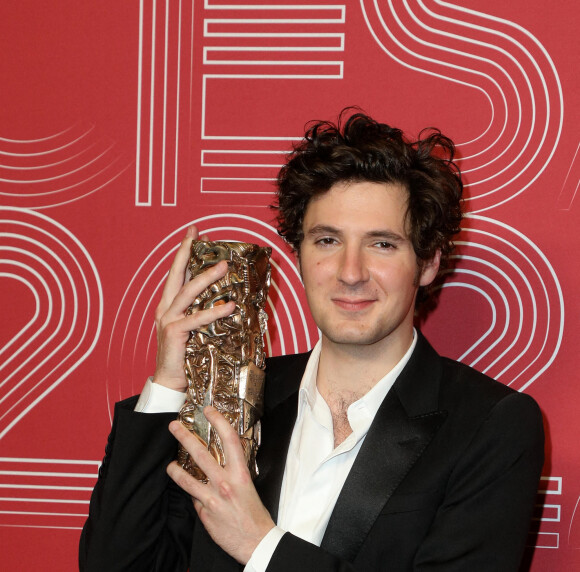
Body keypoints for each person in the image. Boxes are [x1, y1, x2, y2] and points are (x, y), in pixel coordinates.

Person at [79, 110, 544, 571]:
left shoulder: (489, 425)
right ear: (297, 256)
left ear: (426, 264)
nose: (350, 272)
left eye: (382, 244)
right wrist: (167, 385)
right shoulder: (236, 395)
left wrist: (262, 547)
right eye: (327, 241)